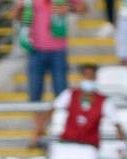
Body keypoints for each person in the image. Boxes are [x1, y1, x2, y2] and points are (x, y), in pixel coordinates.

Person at [12, 0, 83, 149]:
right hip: (35, 50)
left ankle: (61, 131)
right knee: (35, 94)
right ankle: (38, 133)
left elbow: (83, 8)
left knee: (62, 95)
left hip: (58, 50)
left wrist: (68, 8)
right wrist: (19, 9)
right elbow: (15, 16)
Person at [47, 63, 124, 159]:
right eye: (86, 75)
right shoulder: (70, 94)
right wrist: (38, 130)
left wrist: (121, 145)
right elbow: (51, 109)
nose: (88, 79)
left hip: (88, 147)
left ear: (95, 78)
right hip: (66, 144)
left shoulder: (104, 101)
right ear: (82, 77)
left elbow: (117, 124)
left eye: (91, 76)